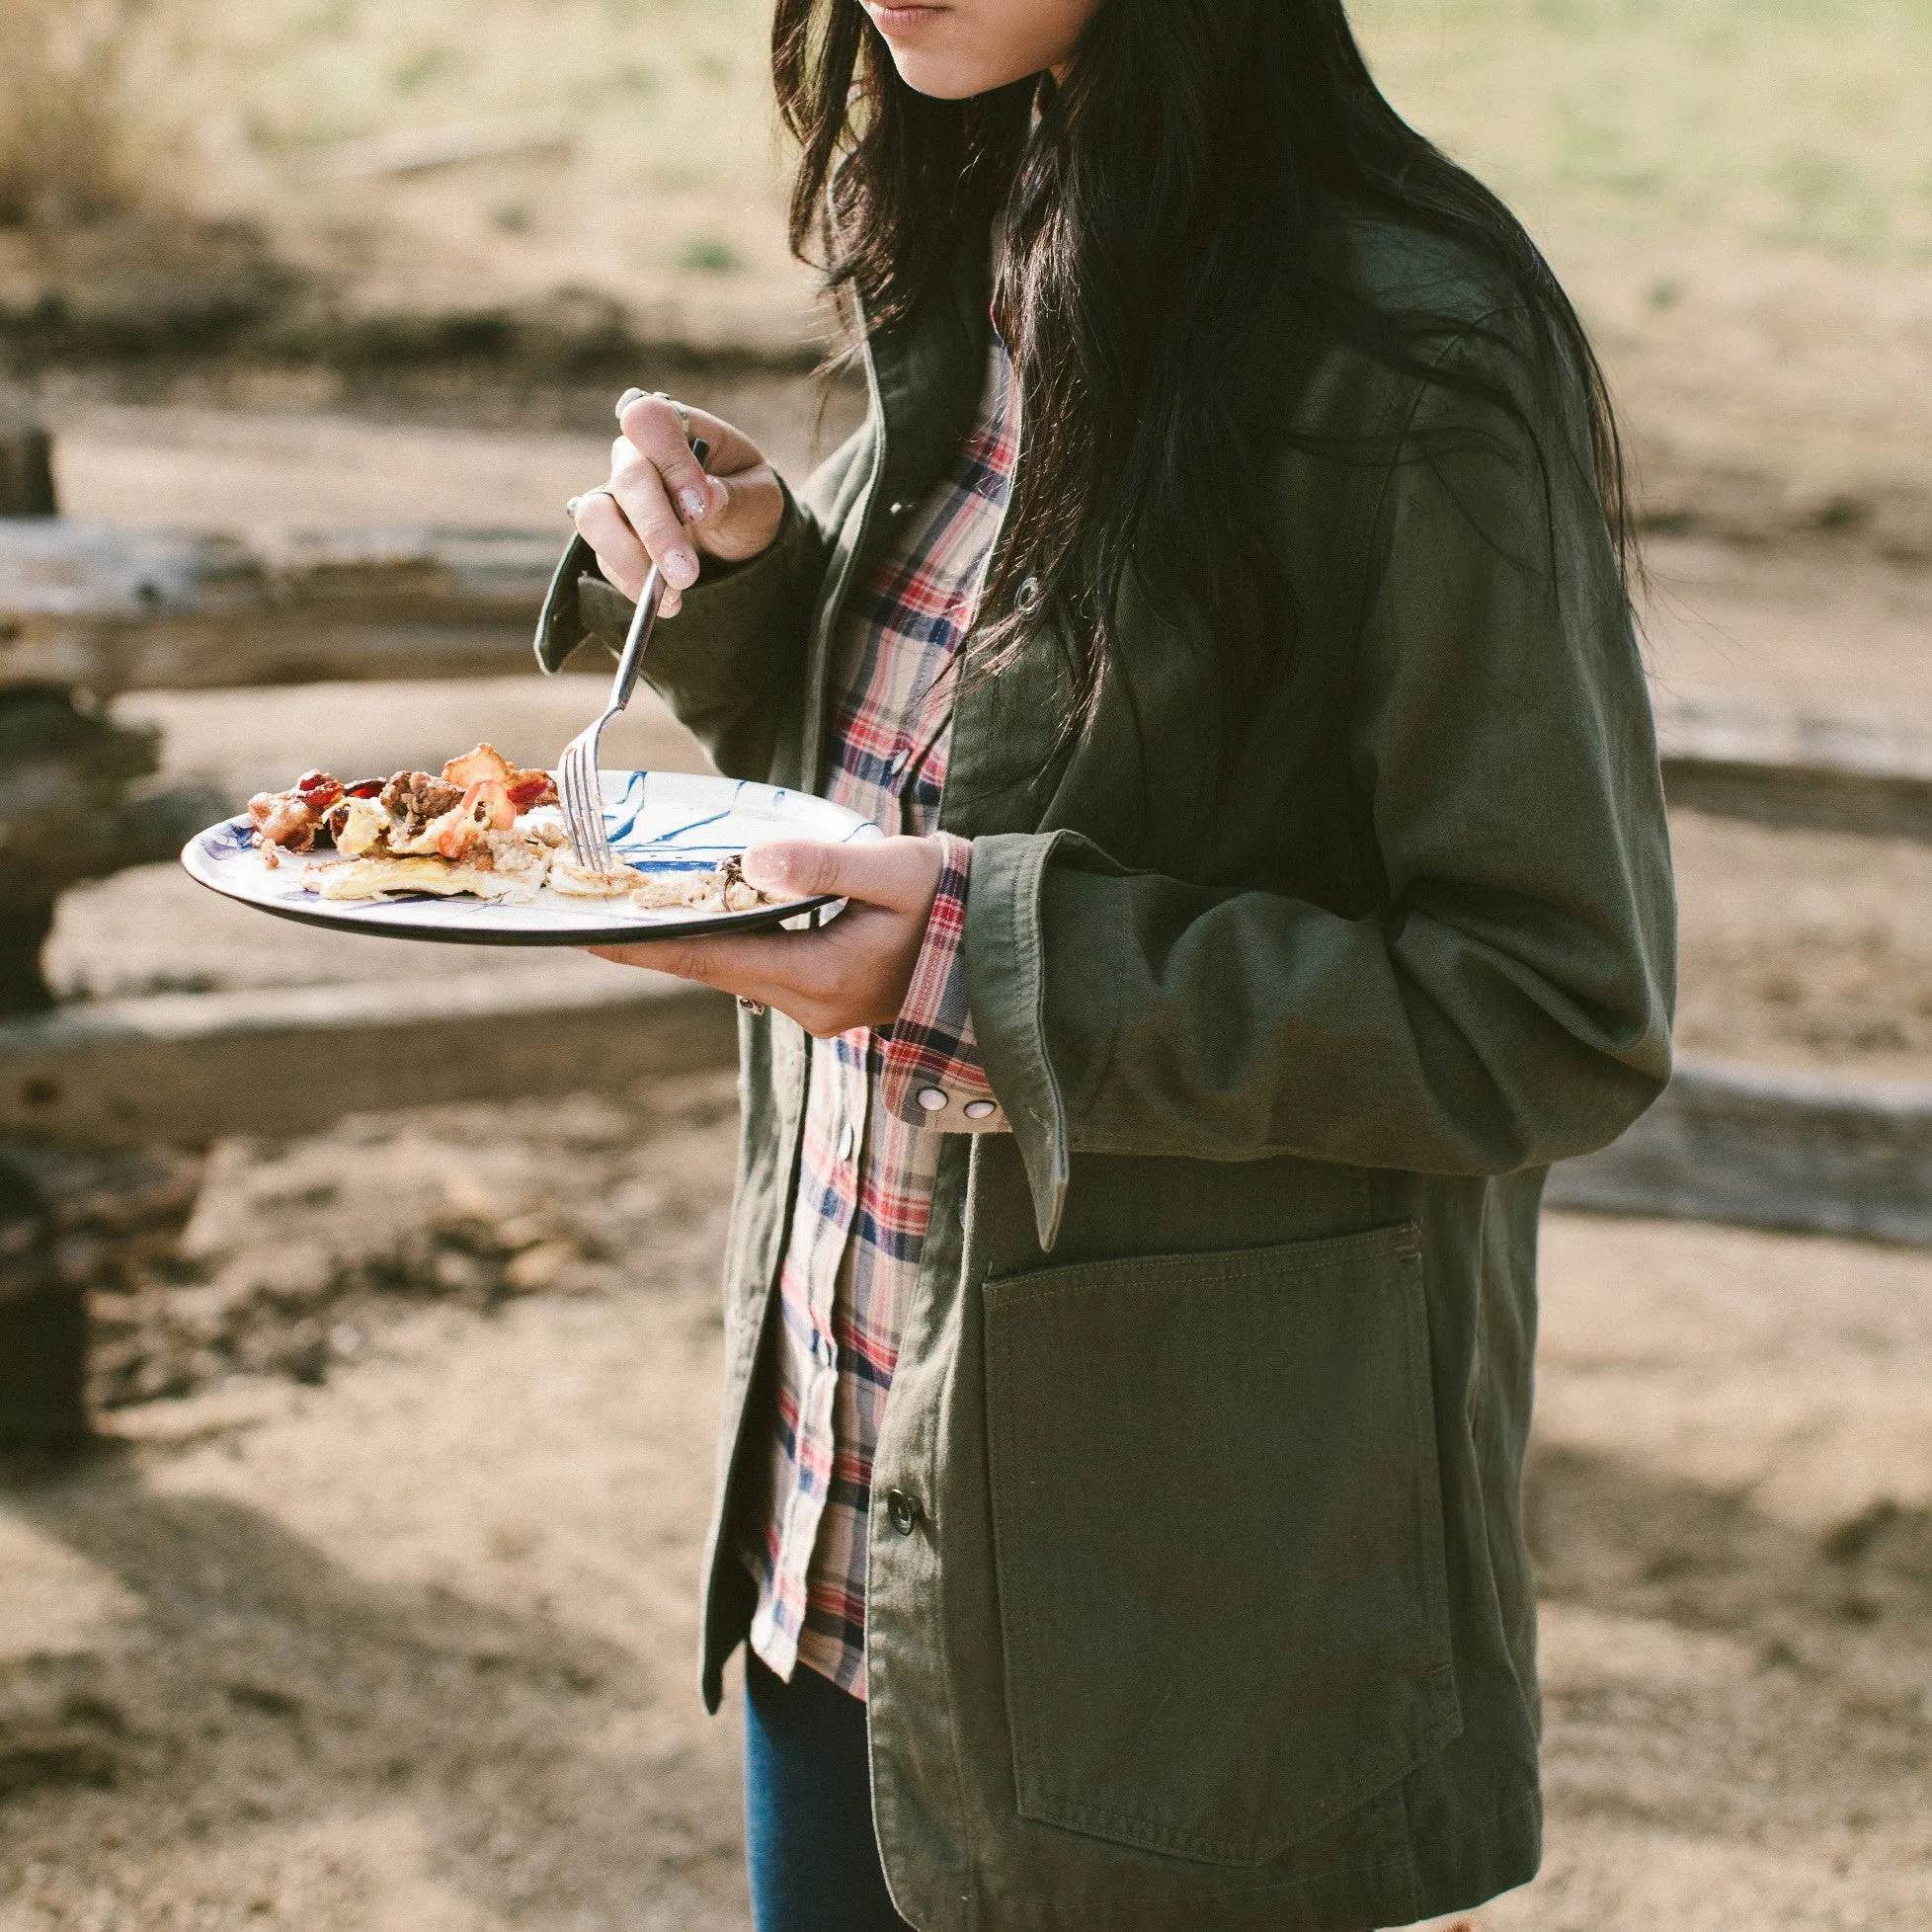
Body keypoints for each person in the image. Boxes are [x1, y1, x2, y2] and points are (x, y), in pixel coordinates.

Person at [538, 1, 1676, 1926]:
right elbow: (953, 784)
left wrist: (990, 970)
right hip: (840, 1523)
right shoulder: (988, 219)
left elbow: (1551, 1011)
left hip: (1179, 1644)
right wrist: (754, 597)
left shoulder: (1413, 346)